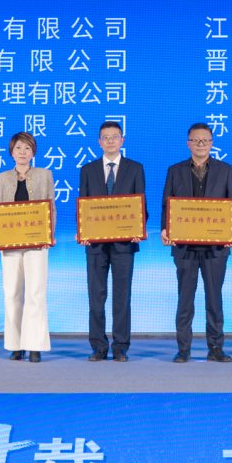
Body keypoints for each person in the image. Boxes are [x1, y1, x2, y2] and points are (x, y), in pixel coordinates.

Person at [161, 123, 232, 363]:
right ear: (188, 144)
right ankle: (183, 349)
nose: (201, 144)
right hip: (185, 248)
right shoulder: (175, 171)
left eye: (205, 140)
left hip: (215, 248)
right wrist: (165, 229)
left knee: (214, 300)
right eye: (196, 140)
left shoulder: (225, 170)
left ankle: (215, 348)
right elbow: (167, 205)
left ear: (212, 143)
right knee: (185, 300)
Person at [77, 121, 145, 362]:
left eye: (114, 136)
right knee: (96, 297)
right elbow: (83, 206)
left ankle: (120, 347)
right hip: (95, 245)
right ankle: (98, 346)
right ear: (99, 142)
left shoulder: (135, 168)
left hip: (124, 244)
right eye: (105, 137)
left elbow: (140, 204)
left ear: (122, 140)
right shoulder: (87, 170)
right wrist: (82, 230)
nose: (110, 141)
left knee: (122, 297)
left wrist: (139, 228)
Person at [0, 132, 55, 362]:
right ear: (12, 152)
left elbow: (51, 206)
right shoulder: (1, 178)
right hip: (9, 243)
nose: (22, 152)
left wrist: (50, 234)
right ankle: (15, 345)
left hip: (37, 243)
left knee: (35, 293)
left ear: (33, 152)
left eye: (27, 148)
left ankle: (34, 345)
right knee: (12, 293)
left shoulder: (44, 174)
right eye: (18, 148)